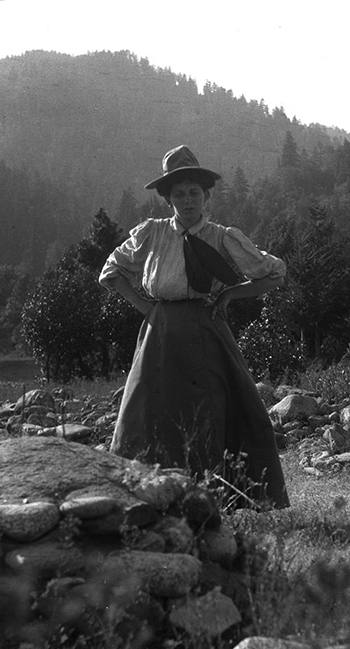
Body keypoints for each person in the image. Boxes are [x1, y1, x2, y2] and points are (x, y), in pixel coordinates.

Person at [98, 144, 289, 509]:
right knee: (148, 411)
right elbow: (111, 271)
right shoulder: (152, 234)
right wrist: (145, 307)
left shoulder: (221, 237)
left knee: (214, 410)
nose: (187, 201)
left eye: (194, 193)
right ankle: (148, 496)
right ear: (167, 199)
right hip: (160, 334)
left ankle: (218, 495)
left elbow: (274, 273)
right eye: (179, 194)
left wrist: (231, 294)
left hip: (206, 329)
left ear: (206, 196)